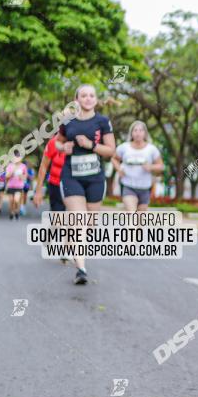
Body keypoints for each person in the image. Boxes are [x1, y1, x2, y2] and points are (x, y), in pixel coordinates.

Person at [55, 84, 116, 284]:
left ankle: (67, 243)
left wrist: (91, 145)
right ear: (77, 99)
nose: (88, 98)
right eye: (84, 95)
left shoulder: (102, 121)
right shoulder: (68, 121)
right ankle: (81, 268)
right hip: (71, 176)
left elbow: (111, 151)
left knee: (89, 224)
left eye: (92, 95)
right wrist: (64, 146)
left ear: (96, 100)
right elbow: (57, 142)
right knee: (78, 221)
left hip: (95, 178)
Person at [111, 120, 163, 212]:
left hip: (145, 188)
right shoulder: (124, 147)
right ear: (131, 133)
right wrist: (119, 169)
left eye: (140, 130)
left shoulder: (151, 149)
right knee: (131, 214)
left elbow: (161, 166)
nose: (138, 133)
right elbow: (114, 159)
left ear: (145, 133)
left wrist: (150, 167)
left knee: (140, 222)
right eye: (135, 130)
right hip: (128, 185)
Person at [34, 135, 69, 263]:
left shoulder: (79, 139)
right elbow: (43, 166)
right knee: (58, 221)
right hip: (56, 184)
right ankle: (50, 233)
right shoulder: (53, 142)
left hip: (74, 185)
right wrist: (38, 191)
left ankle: (66, 250)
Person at [4, 155, 29, 220]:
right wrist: (12, 171)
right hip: (10, 186)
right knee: (11, 201)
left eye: (19, 158)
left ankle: (17, 211)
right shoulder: (10, 166)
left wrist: (21, 176)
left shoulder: (23, 166)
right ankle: (12, 212)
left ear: (21, 159)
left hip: (19, 186)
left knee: (16, 200)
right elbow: (6, 176)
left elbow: (25, 177)